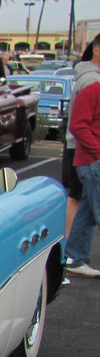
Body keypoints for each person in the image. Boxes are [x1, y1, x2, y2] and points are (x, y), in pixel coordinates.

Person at [64, 33, 100, 277]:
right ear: (97, 50)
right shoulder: (92, 84)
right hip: (92, 160)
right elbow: (78, 125)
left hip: (89, 159)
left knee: (87, 211)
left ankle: (74, 257)